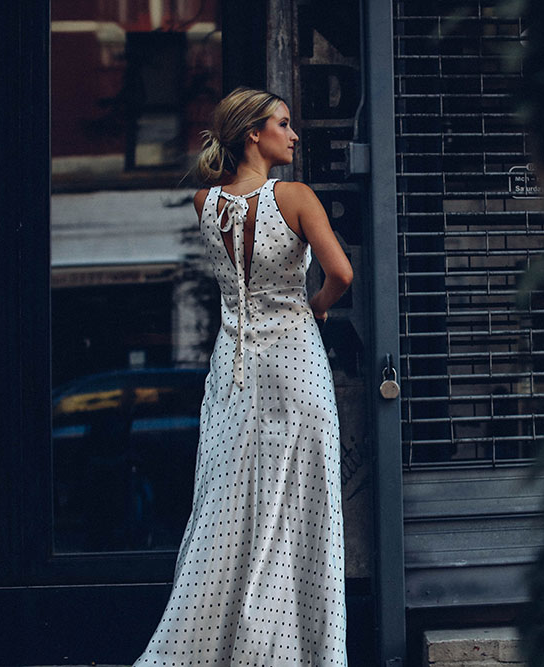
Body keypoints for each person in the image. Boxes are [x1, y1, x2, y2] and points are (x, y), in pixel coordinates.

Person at [134, 87, 352, 666]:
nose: (294, 134)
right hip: (296, 368)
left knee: (228, 513)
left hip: (233, 373)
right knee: (301, 513)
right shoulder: (296, 197)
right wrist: (318, 306)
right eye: (283, 123)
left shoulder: (204, 203)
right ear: (253, 133)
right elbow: (341, 274)